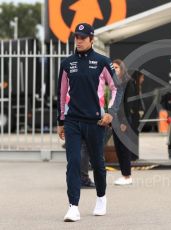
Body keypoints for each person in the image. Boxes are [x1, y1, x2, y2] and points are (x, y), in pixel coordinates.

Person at [57, 23, 117, 222]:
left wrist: (111, 112)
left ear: (92, 39)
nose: (79, 41)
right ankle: (73, 206)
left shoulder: (102, 62)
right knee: (73, 163)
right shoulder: (67, 64)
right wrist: (61, 121)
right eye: (77, 37)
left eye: (83, 37)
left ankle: (101, 198)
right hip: (73, 120)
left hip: (96, 121)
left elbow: (117, 88)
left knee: (97, 163)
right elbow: (61, 93)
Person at [110, 61, 142, 185]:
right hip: (115, 118)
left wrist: (124, 122)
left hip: (123, 119)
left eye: (116, 67)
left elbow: (128, 104)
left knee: (124, 148)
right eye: (113, 68)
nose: (114, 69)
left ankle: (127, 176)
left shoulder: (127, 83)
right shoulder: (116, 83)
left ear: (122, 68)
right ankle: (124, 175)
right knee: (118, 148)